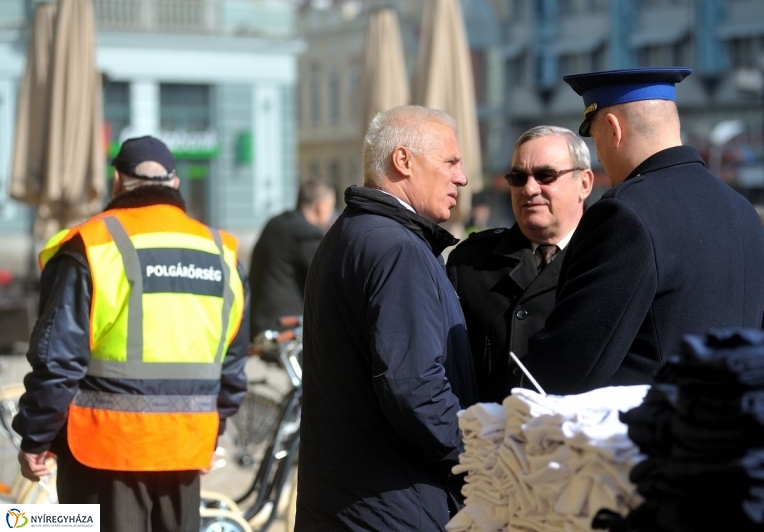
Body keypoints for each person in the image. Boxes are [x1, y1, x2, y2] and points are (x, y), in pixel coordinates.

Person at [12, 135, 249, 532]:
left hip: (103, 453)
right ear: (175, 185)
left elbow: (59, 359)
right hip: (184, 449)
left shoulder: (92, 245)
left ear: (118, 182)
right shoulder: (221, 253)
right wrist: (212, 430)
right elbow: (233, 364)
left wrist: (35, 437)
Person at [524, 68, 764, 395]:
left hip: (646, 435)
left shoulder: (624, 213)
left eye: (595, 140)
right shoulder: (743, 211)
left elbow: (569, 364)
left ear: (613, 129)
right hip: (733, 430)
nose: (599, 155)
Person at [296, 105, 479, 531]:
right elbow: (414, 384)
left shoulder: (351, 234)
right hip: (390, 506)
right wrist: (476, 459)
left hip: (348, 501)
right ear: (403, 161)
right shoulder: (397, 248)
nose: (462, 177)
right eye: (450, 162)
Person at [447, 125, 594, 403]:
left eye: (545, 175)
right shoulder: (470, 264)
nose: (529, 188)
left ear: (584, 183)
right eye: (518, 177)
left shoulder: (605, 260)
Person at [248, 177, 336, 336]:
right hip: (286, 329)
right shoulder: (307, 234)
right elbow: (329, 281)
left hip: (257, 321)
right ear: (321, 206)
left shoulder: (275, 223)